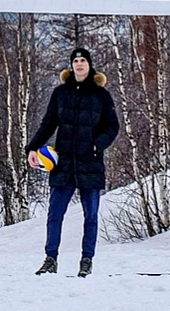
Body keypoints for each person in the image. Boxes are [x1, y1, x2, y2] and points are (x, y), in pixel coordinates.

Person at [26, 47, 119, 278]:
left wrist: (98, 144)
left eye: (83, 60)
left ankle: (87, 260)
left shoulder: (101, 95)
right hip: (63, 163)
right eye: (76, 60)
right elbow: (48, 123)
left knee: (91, 215)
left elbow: (112, 126)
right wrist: (32, 148)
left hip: (91, 163)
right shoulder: (60, 93)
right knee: (55, 214)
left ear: (89, 65)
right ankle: (51, 259)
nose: (79, 64)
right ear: (71, 65)